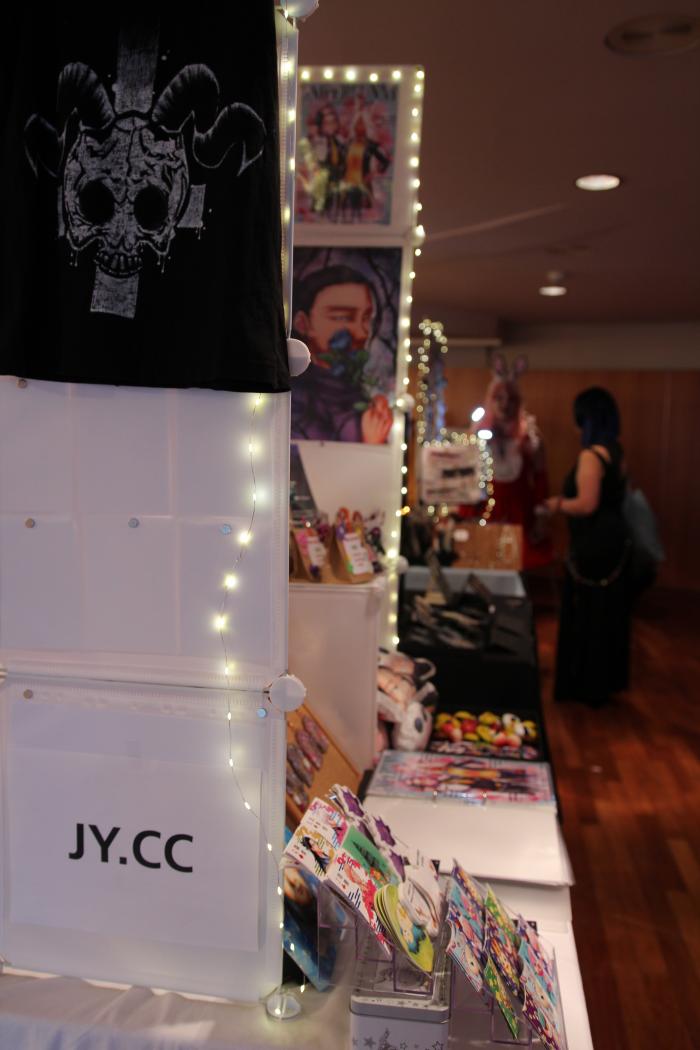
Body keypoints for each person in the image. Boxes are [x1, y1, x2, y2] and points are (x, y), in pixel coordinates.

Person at [541, 387, 631, 707]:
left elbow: (586, 504)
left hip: (594, 544)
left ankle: (583, 682)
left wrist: (556, 504)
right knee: (605, 613)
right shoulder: (616, 452)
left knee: (587, 612)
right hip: (615, 542)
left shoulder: (591, 456)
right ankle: (601, 681)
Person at [291, 265, 393, 443]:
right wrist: (369, 444)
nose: (362, 333)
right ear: (303, 324)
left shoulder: (355, 391)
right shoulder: (296, 398)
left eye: (366, 318)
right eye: (343, 317)